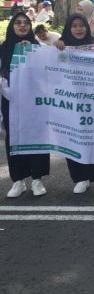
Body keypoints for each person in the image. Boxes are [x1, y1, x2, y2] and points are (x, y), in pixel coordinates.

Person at [55, 14, 94, 193]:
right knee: (72, 138)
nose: (79, 29)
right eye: (74, 26)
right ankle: (80, 177)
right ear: (69, 28)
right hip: (69, 101)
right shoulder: (60, 46)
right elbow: (48, 66)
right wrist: (56, 48)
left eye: (82, 25)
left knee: (92, 137)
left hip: (92, 100)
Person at [1, 12, 50, 197]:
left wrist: (32, 52)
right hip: (11, 102)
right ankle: (18, 180)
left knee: (36, 135)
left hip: (35, 102)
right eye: (18, 23)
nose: (22, 26)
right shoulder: (4, 48)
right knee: (14, 137)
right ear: (12, 26)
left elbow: (47, 71)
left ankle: (37, 180)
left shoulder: (38, 47)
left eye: (26, 23)